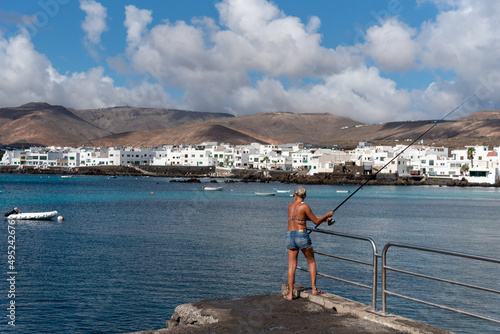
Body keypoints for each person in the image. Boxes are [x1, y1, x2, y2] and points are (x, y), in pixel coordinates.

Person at [284, 186, 334, 300]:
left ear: (295, 195)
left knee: (291, 266)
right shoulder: (305, 206)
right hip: (301, 235)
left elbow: (298, 218)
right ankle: (314, 289)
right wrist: (327, 215)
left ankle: (290, 294)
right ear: (304, 196)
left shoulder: (290, 206)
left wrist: (322, 218)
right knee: (311, 262)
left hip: (289, 235)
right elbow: (315, 221)